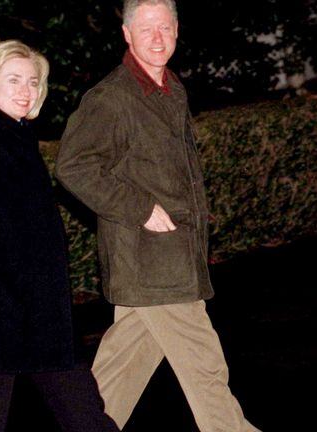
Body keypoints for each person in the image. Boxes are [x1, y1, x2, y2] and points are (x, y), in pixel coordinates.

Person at [55, 1, 261, 431]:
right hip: (151, 260)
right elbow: (74, 166)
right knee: (205, 366)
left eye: (164, 28)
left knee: (120, 369)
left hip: (174, 255)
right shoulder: (111, 98)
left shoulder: (171, 87)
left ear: (177, 30)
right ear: (127, 34)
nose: (157, 37)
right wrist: (139, 207)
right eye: (146, 29)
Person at [0, 41, 119, 432]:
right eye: (13, 80)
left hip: (36, 308)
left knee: (81, 411)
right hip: (0, 308)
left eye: (32, 82)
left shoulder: (20, 135)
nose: (25, 90)